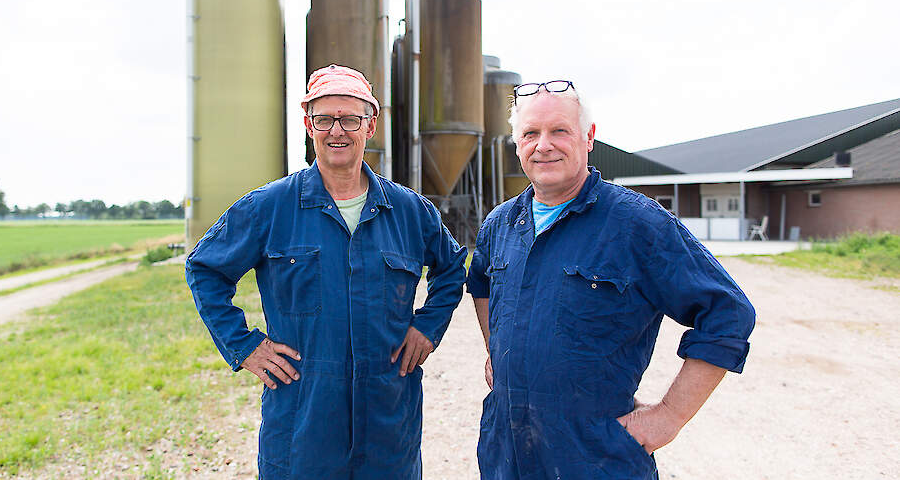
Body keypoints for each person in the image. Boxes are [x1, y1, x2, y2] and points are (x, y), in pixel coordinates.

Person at [186, 64, 467, 480]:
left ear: (370, 125)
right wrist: (243, 345)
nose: (338, 130)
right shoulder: (270, 207)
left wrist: (427, 327)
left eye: (351, 118)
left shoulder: (410, 211)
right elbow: (205, 269)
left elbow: (451, 267)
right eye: (324, 119)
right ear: (307, 125)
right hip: (303, 423)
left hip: (388, 423)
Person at [467, 81, 756, 479]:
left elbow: (727, 313)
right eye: (530, 133)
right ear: (516, 144)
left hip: (593, 456)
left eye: (560, 131)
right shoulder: (500, 223)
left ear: (588, 137)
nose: (544, 145)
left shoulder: (637, 224)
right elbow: (480, 282)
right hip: (506, 450)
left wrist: (668, 417)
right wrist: (495, 350)